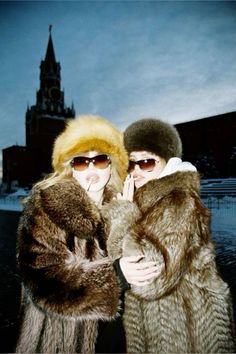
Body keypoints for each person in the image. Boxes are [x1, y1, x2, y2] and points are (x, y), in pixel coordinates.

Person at [15, 115, 158, 354]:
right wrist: (116, 274)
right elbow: (44, 279)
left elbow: (145, 265)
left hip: (116, 338)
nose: (91, 169)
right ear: (70, 167)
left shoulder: (121, 203)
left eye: (100, 160)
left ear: (111, 164)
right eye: (81, 162)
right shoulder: (46, 207)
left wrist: (126, 217)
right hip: (64, 338)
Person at [105, 118, 236, 353]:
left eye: (146, 162)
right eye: (131, 164)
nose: (135, 171)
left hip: (185, 330)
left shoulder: (177, 201)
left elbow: (147, 278)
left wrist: (122, 215)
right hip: (160, 327)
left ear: (168, 163)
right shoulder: (145, 201)